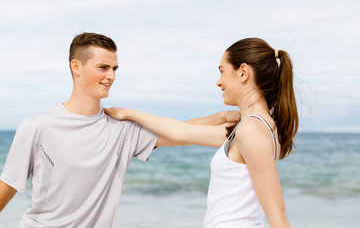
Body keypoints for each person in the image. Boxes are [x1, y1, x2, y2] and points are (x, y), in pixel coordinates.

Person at [0, 32, 239, 227]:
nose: (111, 76)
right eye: (103, 67)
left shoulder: (121, 129)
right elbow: (6, 190)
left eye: (115, 69)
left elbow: (181, 133)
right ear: (76, 66)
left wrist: (222, 117)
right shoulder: (37, 127)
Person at [105, 37, 298, 228]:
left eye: (222, 71)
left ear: (243, 73)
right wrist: (128, 114)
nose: (218, 82)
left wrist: (128, 113)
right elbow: (182, 132)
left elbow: (277, 214)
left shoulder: (251, 130)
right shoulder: (250, 127)